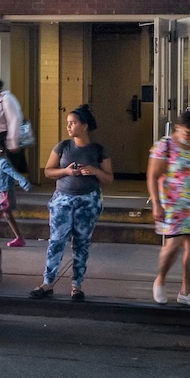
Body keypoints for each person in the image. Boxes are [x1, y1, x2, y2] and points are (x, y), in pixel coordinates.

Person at [32, 104, 112, 301]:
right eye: (67, 123)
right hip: (63, 198)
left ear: (84, 126)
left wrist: (94, 171)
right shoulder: (63, 147)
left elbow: (109, 178)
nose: (68, 126)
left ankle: (77, 285)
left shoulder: (98, 150)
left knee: (82, 242)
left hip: (88, 199)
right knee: (57, 240)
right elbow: (48, 171)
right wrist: (67, 171)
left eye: (73, 123)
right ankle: (47, 282)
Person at [147, 108, 190, 307]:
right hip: (172, 203)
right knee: (173, 244)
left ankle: (186, 291)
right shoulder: (164, 146)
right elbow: (153, 176)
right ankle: (160, 279)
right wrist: (156, 204)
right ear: (178, 128)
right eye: (187, 132)